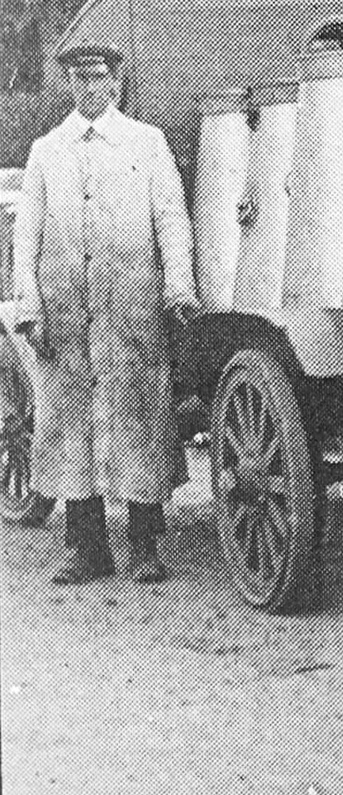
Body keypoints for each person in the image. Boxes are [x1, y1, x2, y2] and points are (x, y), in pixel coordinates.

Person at [11, 44, 198, 584]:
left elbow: (171, 217)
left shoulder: (146, 142)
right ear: (69, 85)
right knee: (70, 425)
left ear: (116, 82)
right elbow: (26, 235)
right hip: (66, 308)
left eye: (98, 79)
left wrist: (178, 287)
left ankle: (144, 544)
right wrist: (30, 302)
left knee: (139, 417)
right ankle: (86, 547)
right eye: (79, 80)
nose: (89, 89)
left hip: (130, 305)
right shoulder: (47, 150)